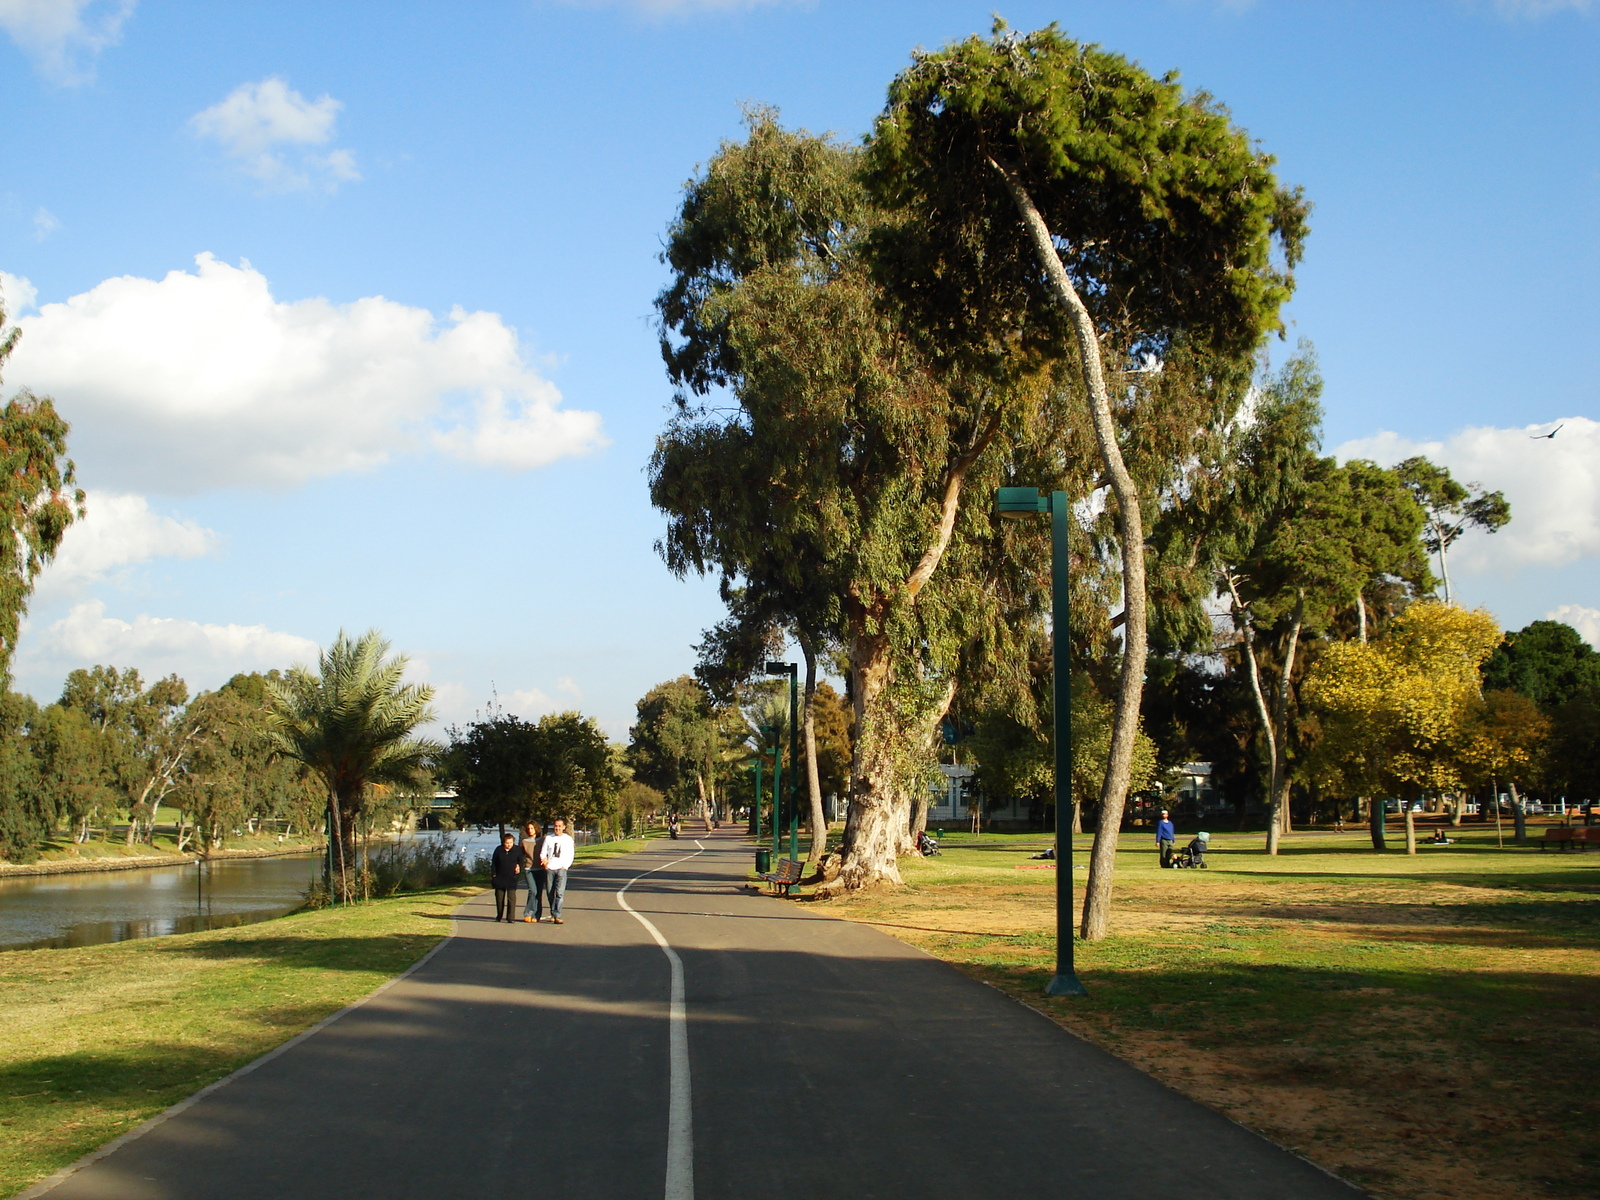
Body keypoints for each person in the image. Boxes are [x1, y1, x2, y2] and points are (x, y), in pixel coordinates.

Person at [541, 817, 576, 924]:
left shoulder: (568, 839)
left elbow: (571, 854)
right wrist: (545, 863)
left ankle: (557, 914)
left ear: (564, 827)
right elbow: (543, 853)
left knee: (559, 893)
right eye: (556, 826)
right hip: (550, 868)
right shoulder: (548, 838)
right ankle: (553, 913)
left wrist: (565, 866)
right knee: (550, 892)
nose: (557, 828)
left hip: (561, 868)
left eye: (560, 826)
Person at [490, 832, 524, 922]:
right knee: (499, 898)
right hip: (499, 877)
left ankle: (511, 917)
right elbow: (494, 862)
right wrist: (494, 874)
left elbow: (520, 861)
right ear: (503, 842)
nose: (509, 845)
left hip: (512, 877)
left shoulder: (517, 850)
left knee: (511, 898)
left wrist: (518, 866)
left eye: (510, 843)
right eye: (507, 843)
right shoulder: (499, 850)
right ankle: (499, 916)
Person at [521, 821, 547, 923]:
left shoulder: (542, 840)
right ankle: (528, 913)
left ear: (536, 829)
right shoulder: (524, 842)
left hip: (540, 869)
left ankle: (537, 914)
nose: (530, 830)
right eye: (528, 829)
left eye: (532, 828)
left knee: (539, 892)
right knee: (533, 891)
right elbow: (520, 855)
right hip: (529, 869)